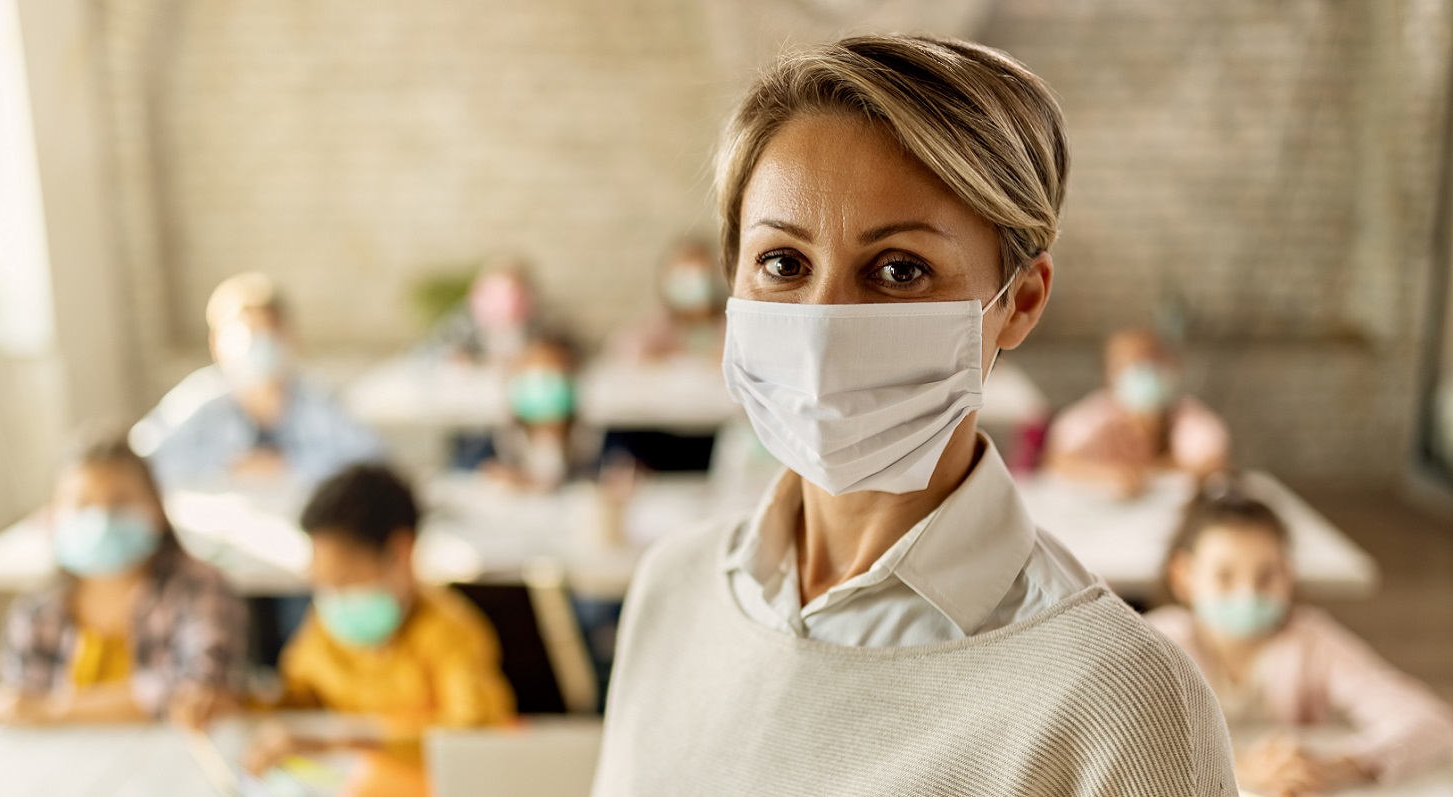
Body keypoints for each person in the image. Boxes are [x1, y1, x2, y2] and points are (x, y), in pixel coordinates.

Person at [591, 34, 1237, 796]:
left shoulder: (1119, 701)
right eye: (783, 263)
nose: (824, 323)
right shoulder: (674, 587)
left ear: (1020, 302)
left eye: (899, 270)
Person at [1148, 474, 1453, 795]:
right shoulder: (1161, 643)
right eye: (1225, 576)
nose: (1248, 594)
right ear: (1184, 576)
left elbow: (1429, 720)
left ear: (1289, 573)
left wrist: (1338, 766)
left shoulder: (1312, 642)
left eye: (1267, 576)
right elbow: (1116, 733)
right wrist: (1235, 764)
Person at [244, 464, 514, 796]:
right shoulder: (325, 626)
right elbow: (299, 695)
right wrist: (237, 702)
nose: (334, 599)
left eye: (346, 581)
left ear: (401, 553)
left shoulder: (451, 632)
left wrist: (348, 741)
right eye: (324, 586)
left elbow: (470, 734)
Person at [0, 434, 246, 728]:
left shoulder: (199, 589)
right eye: (82, 505)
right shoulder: (38, 609)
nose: (101, 519)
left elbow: (197, 691)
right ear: (51, 518)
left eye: (120, 502)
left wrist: (55, 710)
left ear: (156, 509)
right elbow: (21, 702)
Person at [135, 272, 384, 490]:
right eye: (248, 334)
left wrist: (288, 467)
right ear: (216, 343)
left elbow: (373, 462)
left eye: (269, 332)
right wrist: (229, 467)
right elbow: (143, 458)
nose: (259, 344)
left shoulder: (319, 400)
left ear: (290, 338)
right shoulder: (198, 401)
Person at [1044, 327, 1231, 496]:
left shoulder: (1191, 419)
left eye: (1150, 361)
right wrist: (1108, 475)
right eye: (1129, 362)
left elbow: (1212, 466)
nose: (1141, 370)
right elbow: (1055, 461)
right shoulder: (1092, 415)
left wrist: (1146, 474)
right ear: (1108, 372)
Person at [479, 334, 602, 491]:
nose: (543, 386)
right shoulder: (487, 446)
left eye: (553, 376)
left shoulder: (605, 446)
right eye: (535, 378)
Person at [608, 239, 727, 363]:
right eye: (683, 277)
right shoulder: (659, 325)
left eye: (698, 275)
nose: (690, 285)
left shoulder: (727, 325)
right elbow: (622, 349)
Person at [421, 256, 548, 366]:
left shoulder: (539, 326)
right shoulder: (462, 323)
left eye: (513, 294)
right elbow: (430, 353)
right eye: (494, 294)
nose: (502, 303)